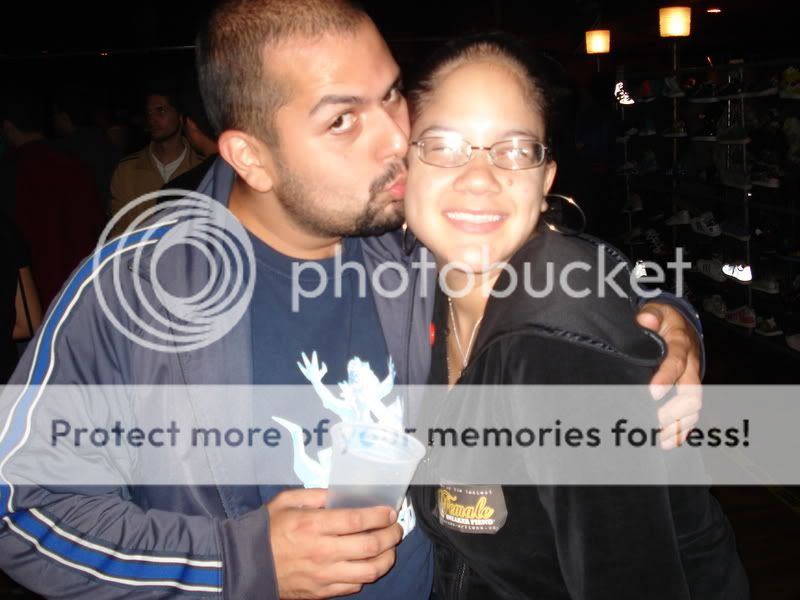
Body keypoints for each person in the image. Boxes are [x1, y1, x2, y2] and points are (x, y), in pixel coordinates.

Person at [0, 1, 703, 598]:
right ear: (251, 157)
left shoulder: (405, 232)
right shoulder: (138, 289)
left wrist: (661, 317)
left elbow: (540, 252)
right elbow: (20, 510)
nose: (398, 138)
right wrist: (239, 562)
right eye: (343, 120)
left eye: (392, 94)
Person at [404, 35, 747, 598]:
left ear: (545, 181)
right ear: (403, 165)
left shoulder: (560, 352)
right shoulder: (417, 286)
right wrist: (674, 309)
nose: (479, 177)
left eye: (515, 150)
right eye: (444, 145)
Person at [108, 86, 204, 236]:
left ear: (180, 116)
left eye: (161, 111)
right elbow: (118, 230)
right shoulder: (127, 170)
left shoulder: (201, 167)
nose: (152, 119)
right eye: (149, 113)